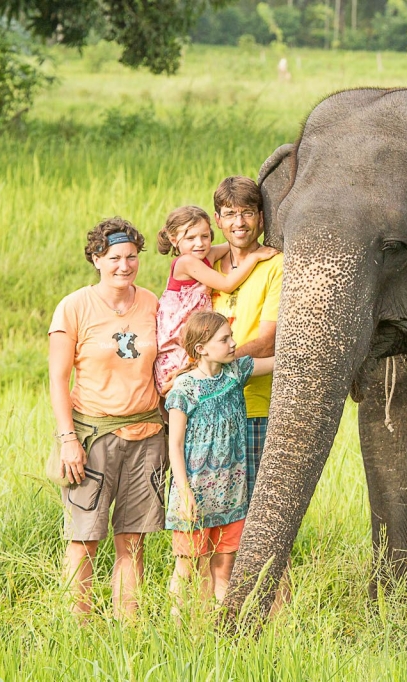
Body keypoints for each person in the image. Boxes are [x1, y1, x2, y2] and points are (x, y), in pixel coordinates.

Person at [48, 217, 166, 619]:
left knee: (132, 541)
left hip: (148, 435)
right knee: (84, 538)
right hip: (93, 437)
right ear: (97, 258)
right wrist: (68, 441)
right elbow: (58, 379)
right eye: (115, 257)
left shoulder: (151, 302)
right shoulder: (75, 307)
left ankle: (128, 628)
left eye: (132, 257)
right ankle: (78, 627)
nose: (124, 265)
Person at [164, 310, 275, 604]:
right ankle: (181, 631)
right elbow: (174, 445)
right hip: (195, 494)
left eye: (231, 336)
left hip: (231, 494)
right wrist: (184, 491)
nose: (233, 343)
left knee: (224, 568)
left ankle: (221, 631)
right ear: (201, 348)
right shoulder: (185, 387)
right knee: (188, 570)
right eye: (224, 339)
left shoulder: (237, 372)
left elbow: (280, 363)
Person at [208, 176, 283, 503]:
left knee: (255, 511)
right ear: (218, 220)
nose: (240, 223)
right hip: (207, 407)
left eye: (248, 213)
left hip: (253, 407)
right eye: (230, 214)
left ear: (261, 218)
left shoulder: (275, 265)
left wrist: (209, 363)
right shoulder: (207, 265)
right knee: (211, 510)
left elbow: (267, 341)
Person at [154, 205, 277, 395]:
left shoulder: (206, 255)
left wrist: (252, 229)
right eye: (190, 238)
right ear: (173, 240)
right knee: (180, 388)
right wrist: (254, 258)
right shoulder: (186, 262)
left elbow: (235, 243)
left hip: (194, 333)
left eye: (205, 236)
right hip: (177, 336)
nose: (199, 243)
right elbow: (227, 284)